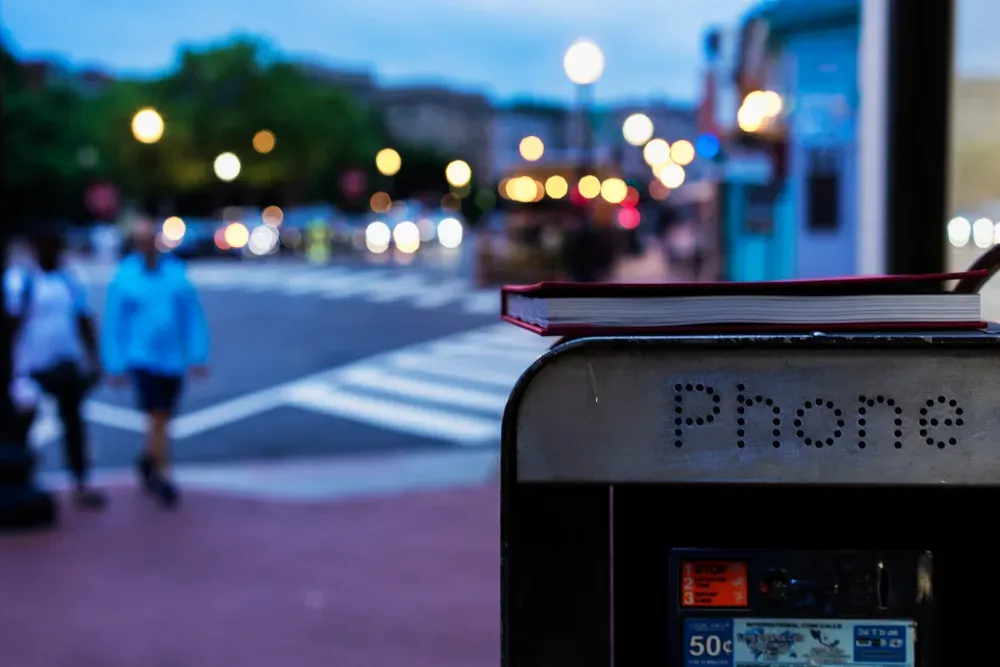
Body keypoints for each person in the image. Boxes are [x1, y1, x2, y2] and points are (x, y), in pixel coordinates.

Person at [101, 219, 210, 508]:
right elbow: (115, 323)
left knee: (164, 416)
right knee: (157, 414)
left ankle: (149, 459)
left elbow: (192, 317)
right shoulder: (124, 277)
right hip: (142, 358)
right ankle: (162, 471)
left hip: (172, 358)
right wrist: (115, 363)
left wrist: (198, 354)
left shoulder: (176, 275)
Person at [3, 229, 106, 509]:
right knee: (21, 427)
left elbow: (84, 319)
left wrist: (94, 359)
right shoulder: (21, 282)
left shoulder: (70, 281)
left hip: (65, 363)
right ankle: (21, 482)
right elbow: (11, 327)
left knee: (74, 425)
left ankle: (81, 482)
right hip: (31, 366)